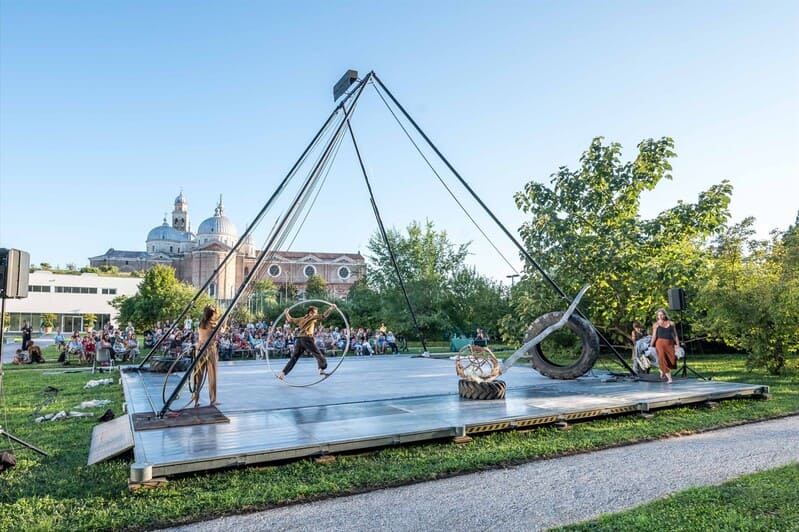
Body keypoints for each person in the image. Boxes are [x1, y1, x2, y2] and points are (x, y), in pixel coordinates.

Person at [279, 304, 336, 379]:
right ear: (310, 313)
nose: (316, 314)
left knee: (294, 357)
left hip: (299, 339)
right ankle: (321, 369)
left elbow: (290, 320)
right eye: (315, 312)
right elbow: (323, 315)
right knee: (318, 354)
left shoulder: (301, 318)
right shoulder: (312, 317)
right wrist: (331, 308)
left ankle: (282, 374)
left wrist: (286, 313)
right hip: (306, 339)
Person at [192, 305, 219, 407]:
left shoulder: (201, 323)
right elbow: (222, 330)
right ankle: (213, 400)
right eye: (215, 313)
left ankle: (195, 400)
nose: (216, 314)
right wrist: (225, 322)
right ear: (211, 314)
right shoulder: (212, 325)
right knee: (212, 376)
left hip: (199, 349)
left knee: (197, 376)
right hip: (210, 350)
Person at [650, 308, 680, 383]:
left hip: (670, 343)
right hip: (659, 343)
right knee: (662, 359)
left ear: (664, 315)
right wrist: (651, 345)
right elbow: (654, 336)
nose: (660, 316)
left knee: (672, 360)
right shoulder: (656, 325)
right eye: (658, 315)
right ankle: (669, 378)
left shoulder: (671, 323)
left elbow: (675, 335)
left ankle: (662, 370)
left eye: (661, 314)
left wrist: (678, 344)